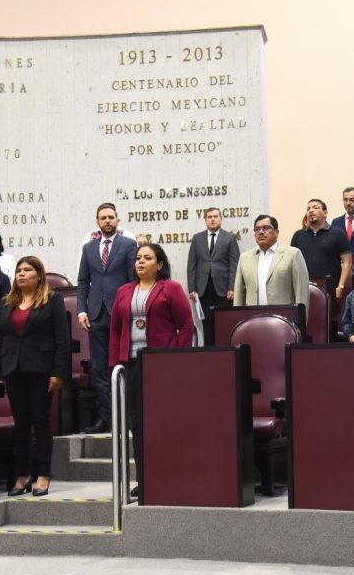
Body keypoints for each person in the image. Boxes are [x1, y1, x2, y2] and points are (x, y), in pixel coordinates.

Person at [109, 243, 195, 497]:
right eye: (138, 258)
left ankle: (171, 475)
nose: (141, 262)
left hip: (161, 363)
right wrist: (115, 363)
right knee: (137, 422)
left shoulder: (171, 288)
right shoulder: (124, 291)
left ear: (159, 264)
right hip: (131, 362)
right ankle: (144, 478)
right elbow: (115, 330)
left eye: (147, 258)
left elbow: (186, 325)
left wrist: (179, 359)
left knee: (163, 420)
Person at [0, 256, 70, 497]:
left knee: (40, 420)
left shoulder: (53, 300)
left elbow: (62, 338)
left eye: (27, 270)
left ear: (39, 275)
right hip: (13, 369)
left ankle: (43, 475)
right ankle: (23, 475)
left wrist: (58, 372)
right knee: (21, 424)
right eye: (19, 270)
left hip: (41, 369)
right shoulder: (6, 302)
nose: (21, 274)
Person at [76, 202, 136, 434]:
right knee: (99, 368)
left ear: (117, 220)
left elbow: (133, 280)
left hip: (121, 314)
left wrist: (129, 308)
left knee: (122, 365)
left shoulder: (128, 245)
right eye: (103, 218)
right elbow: (83, 281)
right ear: (97, 222)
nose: (107, 221)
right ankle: (106, 416)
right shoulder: (88, 248)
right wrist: (82, 310)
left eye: (111, 217)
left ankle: (126, 416)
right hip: (96, 314)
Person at [234, 214, 310, 311]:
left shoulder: (293, 254)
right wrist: (238, 317)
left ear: (276, 232)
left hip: (283, 317)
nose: (261, 232)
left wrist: (300, 319)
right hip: (253, 317)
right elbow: (239, 295)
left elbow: (302, 293)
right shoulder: (244, 258)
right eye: (257, 229)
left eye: (266, 228)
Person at [186, 207, 239, 346]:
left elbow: (234, 264)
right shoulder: (197, 238)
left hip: (224, 289)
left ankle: (225, 351)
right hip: (203, 288)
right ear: (205, 220)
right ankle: (209, 351)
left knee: (224, 322)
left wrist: (232, 287)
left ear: (221, 218)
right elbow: (191, 264)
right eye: (209, 217)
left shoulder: (230, 238)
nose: (213, 219)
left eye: (215, 216)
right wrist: (192, 288)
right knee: (207, 323)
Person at [290, 198, 351, 304]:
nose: (310, 211)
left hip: (330, 287)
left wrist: (340, 286)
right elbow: (292, 263)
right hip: (303, 287)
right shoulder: (298, 235)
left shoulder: (338, 233)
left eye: (315, 207)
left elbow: (347, 262)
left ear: (325, 213)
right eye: (308, 209)